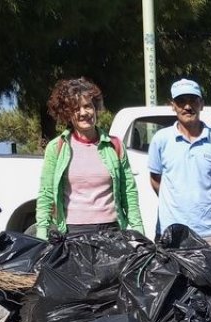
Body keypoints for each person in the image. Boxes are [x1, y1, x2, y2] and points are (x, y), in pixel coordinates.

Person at [35, 78, 142, 239]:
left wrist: (138, 232)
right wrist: (42, 235)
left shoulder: (115, 145)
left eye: (87, 106)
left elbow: (129, 192)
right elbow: (46, 194)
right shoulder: (56, 147)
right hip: (73, 233)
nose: (83, 113)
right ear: (67, 114)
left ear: (95, 108)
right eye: (76, 109)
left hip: (111, 232)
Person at [148, 78, 211, 254]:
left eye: (193, 100)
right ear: (173, 105)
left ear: (202, 104)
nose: (187, 106)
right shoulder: (161, 139)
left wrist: (206, 204)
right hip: (170, 231)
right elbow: (155, 180)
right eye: (181, 101)